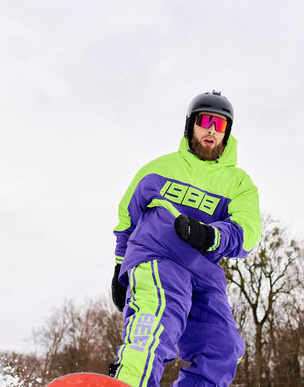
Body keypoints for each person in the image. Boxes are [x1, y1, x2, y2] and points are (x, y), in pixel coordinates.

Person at [109, 90, 261, 387]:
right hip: (159, 257)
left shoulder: (240, 183)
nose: (211, 130)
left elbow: (247, 232)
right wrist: (119, 267)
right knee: (156, 320)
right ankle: (128, 382)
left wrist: (209, 234)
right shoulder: (159, 169)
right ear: (191, 124)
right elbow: (127, 220)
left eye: (220, 125)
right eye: (205, 121)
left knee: (223, 350)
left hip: (204, 274)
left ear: (227, 133)